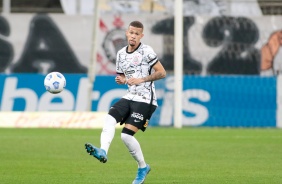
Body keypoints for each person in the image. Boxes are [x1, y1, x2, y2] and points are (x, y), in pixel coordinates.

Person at [85, 20, 166, 184]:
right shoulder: (121, 54)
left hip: (145, 99)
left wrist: (142, 79)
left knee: (126, 137)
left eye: (137, 34)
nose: (134, 36)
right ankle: (103, 151)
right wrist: (122, 80)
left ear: (141, 36)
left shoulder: (146, 51)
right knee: (109, 117)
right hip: (130, 96)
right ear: (126, 33)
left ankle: (142, 167)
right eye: (131, 32)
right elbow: (124, 76)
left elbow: (162, 72)